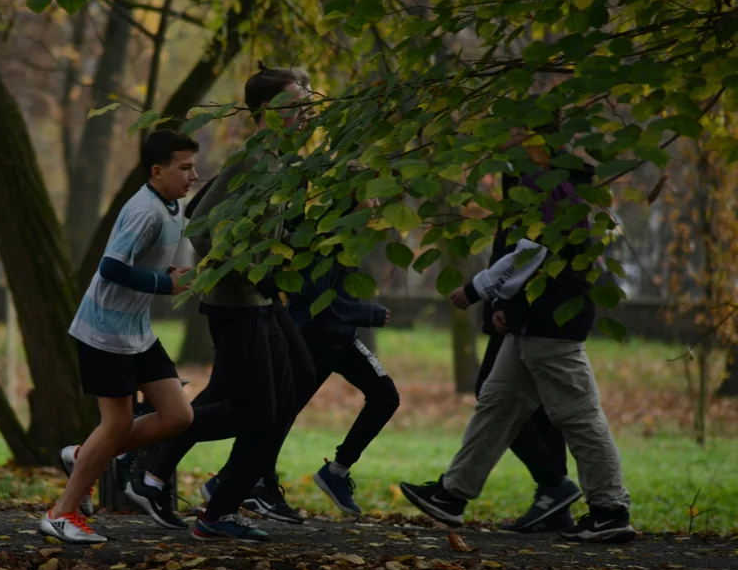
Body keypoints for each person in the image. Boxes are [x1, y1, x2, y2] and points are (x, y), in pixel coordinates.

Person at [400, 123, 635, 544]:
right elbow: (524, 255)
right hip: (530, 320)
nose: (501, 135)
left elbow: (531, 254)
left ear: (532, 136)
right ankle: (452, 494)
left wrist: (477, 292)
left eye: (511, 128)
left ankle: (609, 509)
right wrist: (505, 306)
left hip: (553, 322)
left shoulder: (554, 183)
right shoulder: (534, 178)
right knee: (496, 405)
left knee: (577, 415)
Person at [123, 65, 316, 542]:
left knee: (293, 385)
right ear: (271, 112)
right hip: (237, 304)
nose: (309, 105)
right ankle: (154, 451)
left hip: (263, 299)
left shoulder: (286, 161)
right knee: (257, 412)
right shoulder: (252, 162)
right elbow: (202, 225)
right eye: (299, 99)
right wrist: (249, 269)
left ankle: (163, 461)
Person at [39, 129, 199, 545]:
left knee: (179, 416)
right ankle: (61, 514)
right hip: (104, 331)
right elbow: (111, 267)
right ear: (157, 170)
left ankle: (81, 456)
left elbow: (142, 265)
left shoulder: (172, 207)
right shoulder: (144, 210)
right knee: (116, 424)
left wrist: (168, 277)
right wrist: (165, 286)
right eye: (184, 168)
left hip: (137, 331)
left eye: (193, 166)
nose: (192, 175)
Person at [201, 200, 401, 521]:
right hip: (311, 338)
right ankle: (231, 481)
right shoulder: (323, 231)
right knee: (276, 416)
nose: (379, 203)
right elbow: (312, 297)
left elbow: (340, 291)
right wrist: (368, 313)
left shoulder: (353, 234)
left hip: (343, 339)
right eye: (372, 196)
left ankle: (335, 472)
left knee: (385, 396)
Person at [455, 169, 579, 534]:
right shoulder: (528, 176)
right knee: (540, 409)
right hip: (516, 311)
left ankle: (555, 484)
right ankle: (555, 501)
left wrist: (501, 303)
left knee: (498, 396)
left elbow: (533, 252)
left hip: (524, 315)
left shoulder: (540, 179)